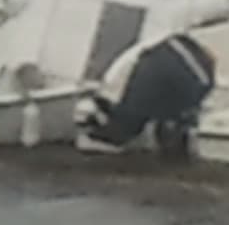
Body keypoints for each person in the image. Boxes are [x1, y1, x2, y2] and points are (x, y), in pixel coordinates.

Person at [76, 33, 215, 156]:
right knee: (171, 111)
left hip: (165, 62)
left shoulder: (115, 93)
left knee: (129, 125)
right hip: (178, 55)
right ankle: (179, 133)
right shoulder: (114, 83)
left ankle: (178, 132)